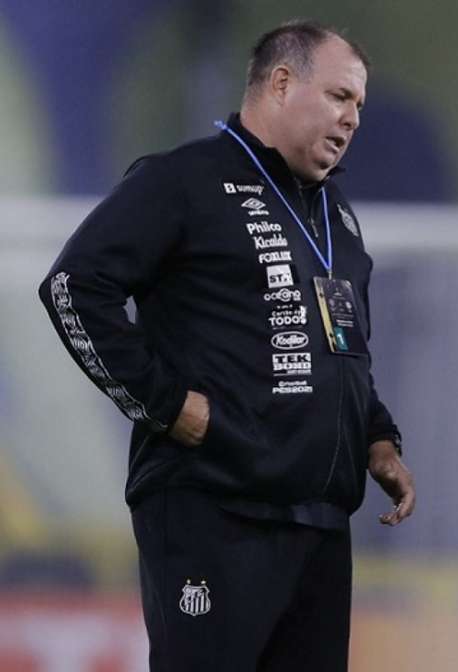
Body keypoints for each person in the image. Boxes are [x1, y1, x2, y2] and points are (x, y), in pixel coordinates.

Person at [38, 20, 415, 672]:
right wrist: (167, 404)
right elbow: (74, 287)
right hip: (213, 511)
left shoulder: (336, 213)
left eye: (359, 103)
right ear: (280, 81)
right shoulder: (182, 179)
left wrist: (377, 435)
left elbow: (344, 340)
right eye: (339, 96)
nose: (354, 117)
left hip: (319, 524)